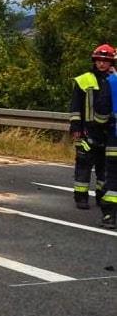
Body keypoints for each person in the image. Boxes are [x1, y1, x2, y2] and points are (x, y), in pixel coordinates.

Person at [69, 44, 115, 210]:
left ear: (111, 63)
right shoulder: (84, 80)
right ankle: (81, 197)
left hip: (108, 130)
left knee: (105, 167)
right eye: (98, 60)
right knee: (83, 163)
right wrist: (76, 127)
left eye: (105, 61)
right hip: (87, 129)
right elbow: (75, 106)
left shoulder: (114, 80)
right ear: (94, 61)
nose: (101, 63)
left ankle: (102, 196)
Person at [94, 44, 117, 228]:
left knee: (113, 175)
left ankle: (110, 215)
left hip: (114, 136)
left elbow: (101, 111)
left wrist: (99, 128)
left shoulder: (111, 82)